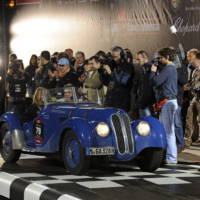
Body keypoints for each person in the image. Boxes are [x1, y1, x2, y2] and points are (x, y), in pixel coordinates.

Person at [150, 47, 178, 164]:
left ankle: (171, 158)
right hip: (168, 102)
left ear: (167, 57)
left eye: (161, 57)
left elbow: (156, 82)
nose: (159, 60)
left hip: (168, 102)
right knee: (167, 130)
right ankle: (169, 157)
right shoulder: (170, 68)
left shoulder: (169, 68)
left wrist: (152, 71)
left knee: (168, 131)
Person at [99, 46, 133, 112]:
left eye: (116, 57)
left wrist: (110, 72)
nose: (114, 59)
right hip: (110, 99)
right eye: (113, 57)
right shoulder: (113, 65)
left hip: (121, 101)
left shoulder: (127, 67)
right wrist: (101, 71)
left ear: (122, 56)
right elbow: (106, 82)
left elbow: (123, 82)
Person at [184, 51, 200, 147]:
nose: (188, 58)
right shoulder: (194, 71)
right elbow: (192, 84)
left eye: (190, 56)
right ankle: (187, 140)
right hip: (195, 98)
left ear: (196, 57)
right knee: (189, 118)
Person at [136, 50, 156, 117]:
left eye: (139, 59)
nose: (137, 61)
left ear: (145, 58)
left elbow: (148, 86)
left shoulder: (150, 68)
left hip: (148, 103)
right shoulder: (143, 68)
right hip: (144, 102)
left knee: (148, 123)